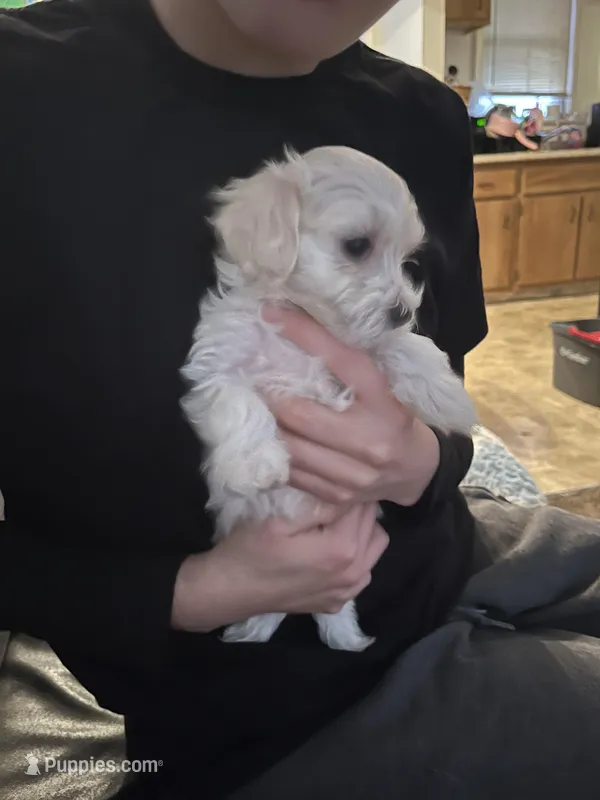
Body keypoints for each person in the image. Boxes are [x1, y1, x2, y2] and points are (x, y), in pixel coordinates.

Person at [6, 3, 599, 800]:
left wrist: (422, 463)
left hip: (456, 548)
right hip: (274, 709)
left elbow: (440, 404)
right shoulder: (23, 94)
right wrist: (196, 591)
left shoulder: (423, 114)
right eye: (355, 248)